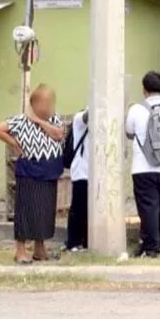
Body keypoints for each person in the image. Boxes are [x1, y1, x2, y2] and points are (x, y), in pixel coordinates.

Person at [0, 84, 65, 264]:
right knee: (25, 212)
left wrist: (38, 121)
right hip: (29, 172)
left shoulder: (55, 119)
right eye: (43, 103)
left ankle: (40, 249)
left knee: (45, 212)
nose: (47, 106)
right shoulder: (21, 121)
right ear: (34, 104)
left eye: (49, 102)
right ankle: (20, 250)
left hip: (49, 172)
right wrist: (14, 143)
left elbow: (58, 135)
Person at [125, 71, 160, 258]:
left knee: (148, 208)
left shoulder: (136, 109)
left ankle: (151, 248)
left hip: (143, 167)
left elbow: (129, 131)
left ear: (144, 89)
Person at [65, 108, 90, 252]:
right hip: (81, 172)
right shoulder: (79, 119)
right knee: (79, 209)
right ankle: (73, 242)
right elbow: (87, 116)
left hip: (95, 174)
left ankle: (86, 241)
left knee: (89, 211)